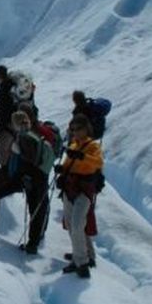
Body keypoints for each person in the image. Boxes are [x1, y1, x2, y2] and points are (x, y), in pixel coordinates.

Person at [0, 111, 50, 252]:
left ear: (15, 123)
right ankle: (32, 245)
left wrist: (19, 155)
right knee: (35, 211)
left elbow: (29, 160)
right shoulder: (31, 134)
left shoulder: (26, 137)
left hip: (27, 179)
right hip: (33, 180)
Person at [55, 114, 104, 279]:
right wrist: (62, 170)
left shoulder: (92, 146)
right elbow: (70, 164)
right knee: (72, 224)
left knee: (76, 224)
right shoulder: (74, 145)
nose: (75, 132)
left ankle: (81, 263)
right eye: (72, 129)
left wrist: (82, 157)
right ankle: (86, 255)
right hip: (70, 188)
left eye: (78, 128)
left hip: (83, 190)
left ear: (86, 129)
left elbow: (97, 163)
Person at [0, 65, 16, 166]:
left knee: (1, 155)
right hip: (16, 126)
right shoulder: (12, 87)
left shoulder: (4, 90)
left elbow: (2, 112)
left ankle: (9, 177)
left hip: (7, 128)